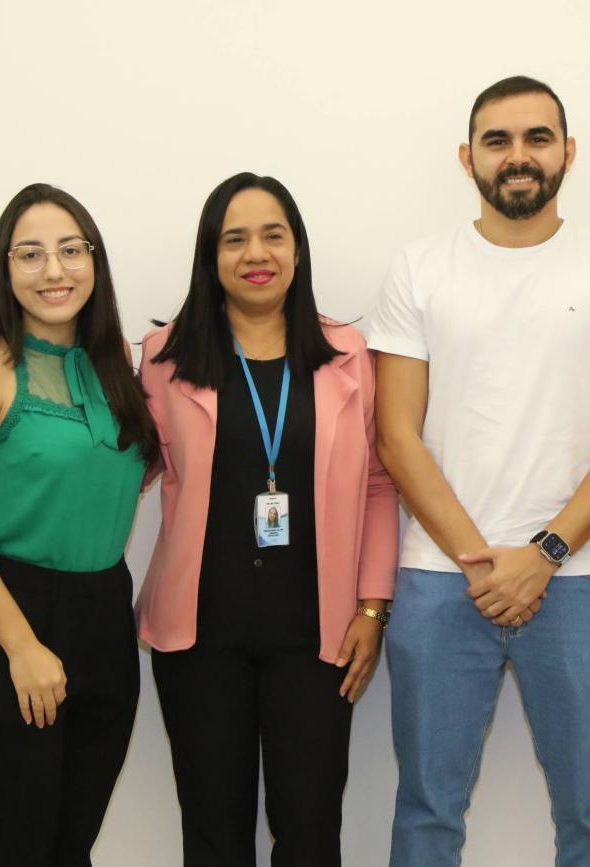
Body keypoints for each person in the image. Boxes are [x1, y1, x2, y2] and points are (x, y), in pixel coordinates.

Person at [370, 76, 590, 866]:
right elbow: (397, 435)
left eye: (537, 138)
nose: (518, 155)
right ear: (466, 156)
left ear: (568, 152)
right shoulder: (419, 267)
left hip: (579, 579)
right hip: (442, 577)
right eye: (497, 140)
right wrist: (479, 560)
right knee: (427, 812)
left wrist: (544, 554)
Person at [137, 172, 399, 866]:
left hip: (316, 632)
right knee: (213, 835)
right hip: (199, 634)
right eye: (235, 239)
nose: (256, 253)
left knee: (310, 832)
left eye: (273, 235)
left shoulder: (347, 354)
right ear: (211, 255)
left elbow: (378, 484)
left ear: (298, 249)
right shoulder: (165, 357)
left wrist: (373, 608)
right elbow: (126, 463)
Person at [0, 183, 158, 865]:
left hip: (105, 617)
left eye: (69, 250)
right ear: (4, 270)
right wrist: (22, 646)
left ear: (94, 261)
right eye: (30, 254)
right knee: (11, 849)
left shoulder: (120, 368)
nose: (53, 270)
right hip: (10, 622)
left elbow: (118, 467)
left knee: (70, 849)